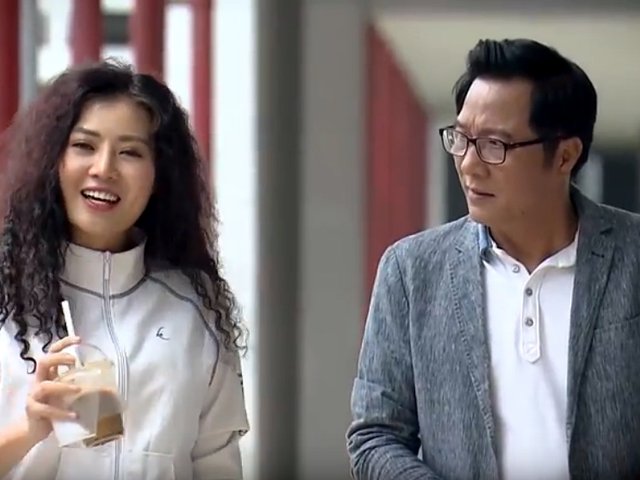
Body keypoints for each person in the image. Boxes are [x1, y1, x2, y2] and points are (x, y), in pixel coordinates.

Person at [347, 38, 640, 479]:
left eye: (494, 145)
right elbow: (375, 437)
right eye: (461, 138)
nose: (469, 164)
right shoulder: (410, 272)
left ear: (565, 155)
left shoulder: (631, 256)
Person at [0, 60, 249, 480]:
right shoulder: (7, 301)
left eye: (130, 152)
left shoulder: (196, 311)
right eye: (84, 145)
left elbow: (217, 464)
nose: (104, 169)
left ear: (159, 174)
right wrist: (29, 429)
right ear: (53, 160)